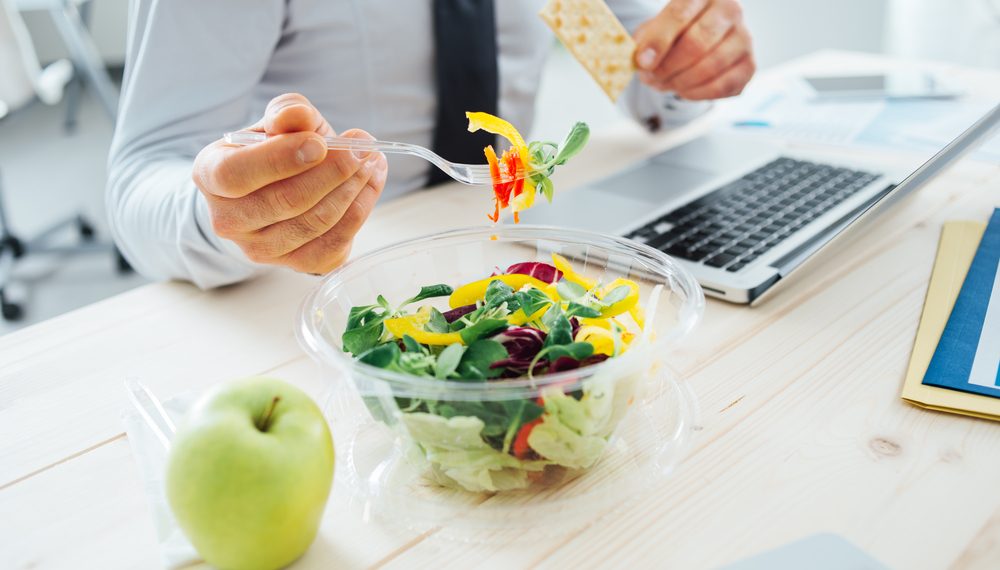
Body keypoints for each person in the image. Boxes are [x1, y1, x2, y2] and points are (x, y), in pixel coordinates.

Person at [107, 0, 755, 289]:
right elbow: (142, 177)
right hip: (311, 299)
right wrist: (239, 213)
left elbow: (642, 77)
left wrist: (693, 62)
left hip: (514, 264)